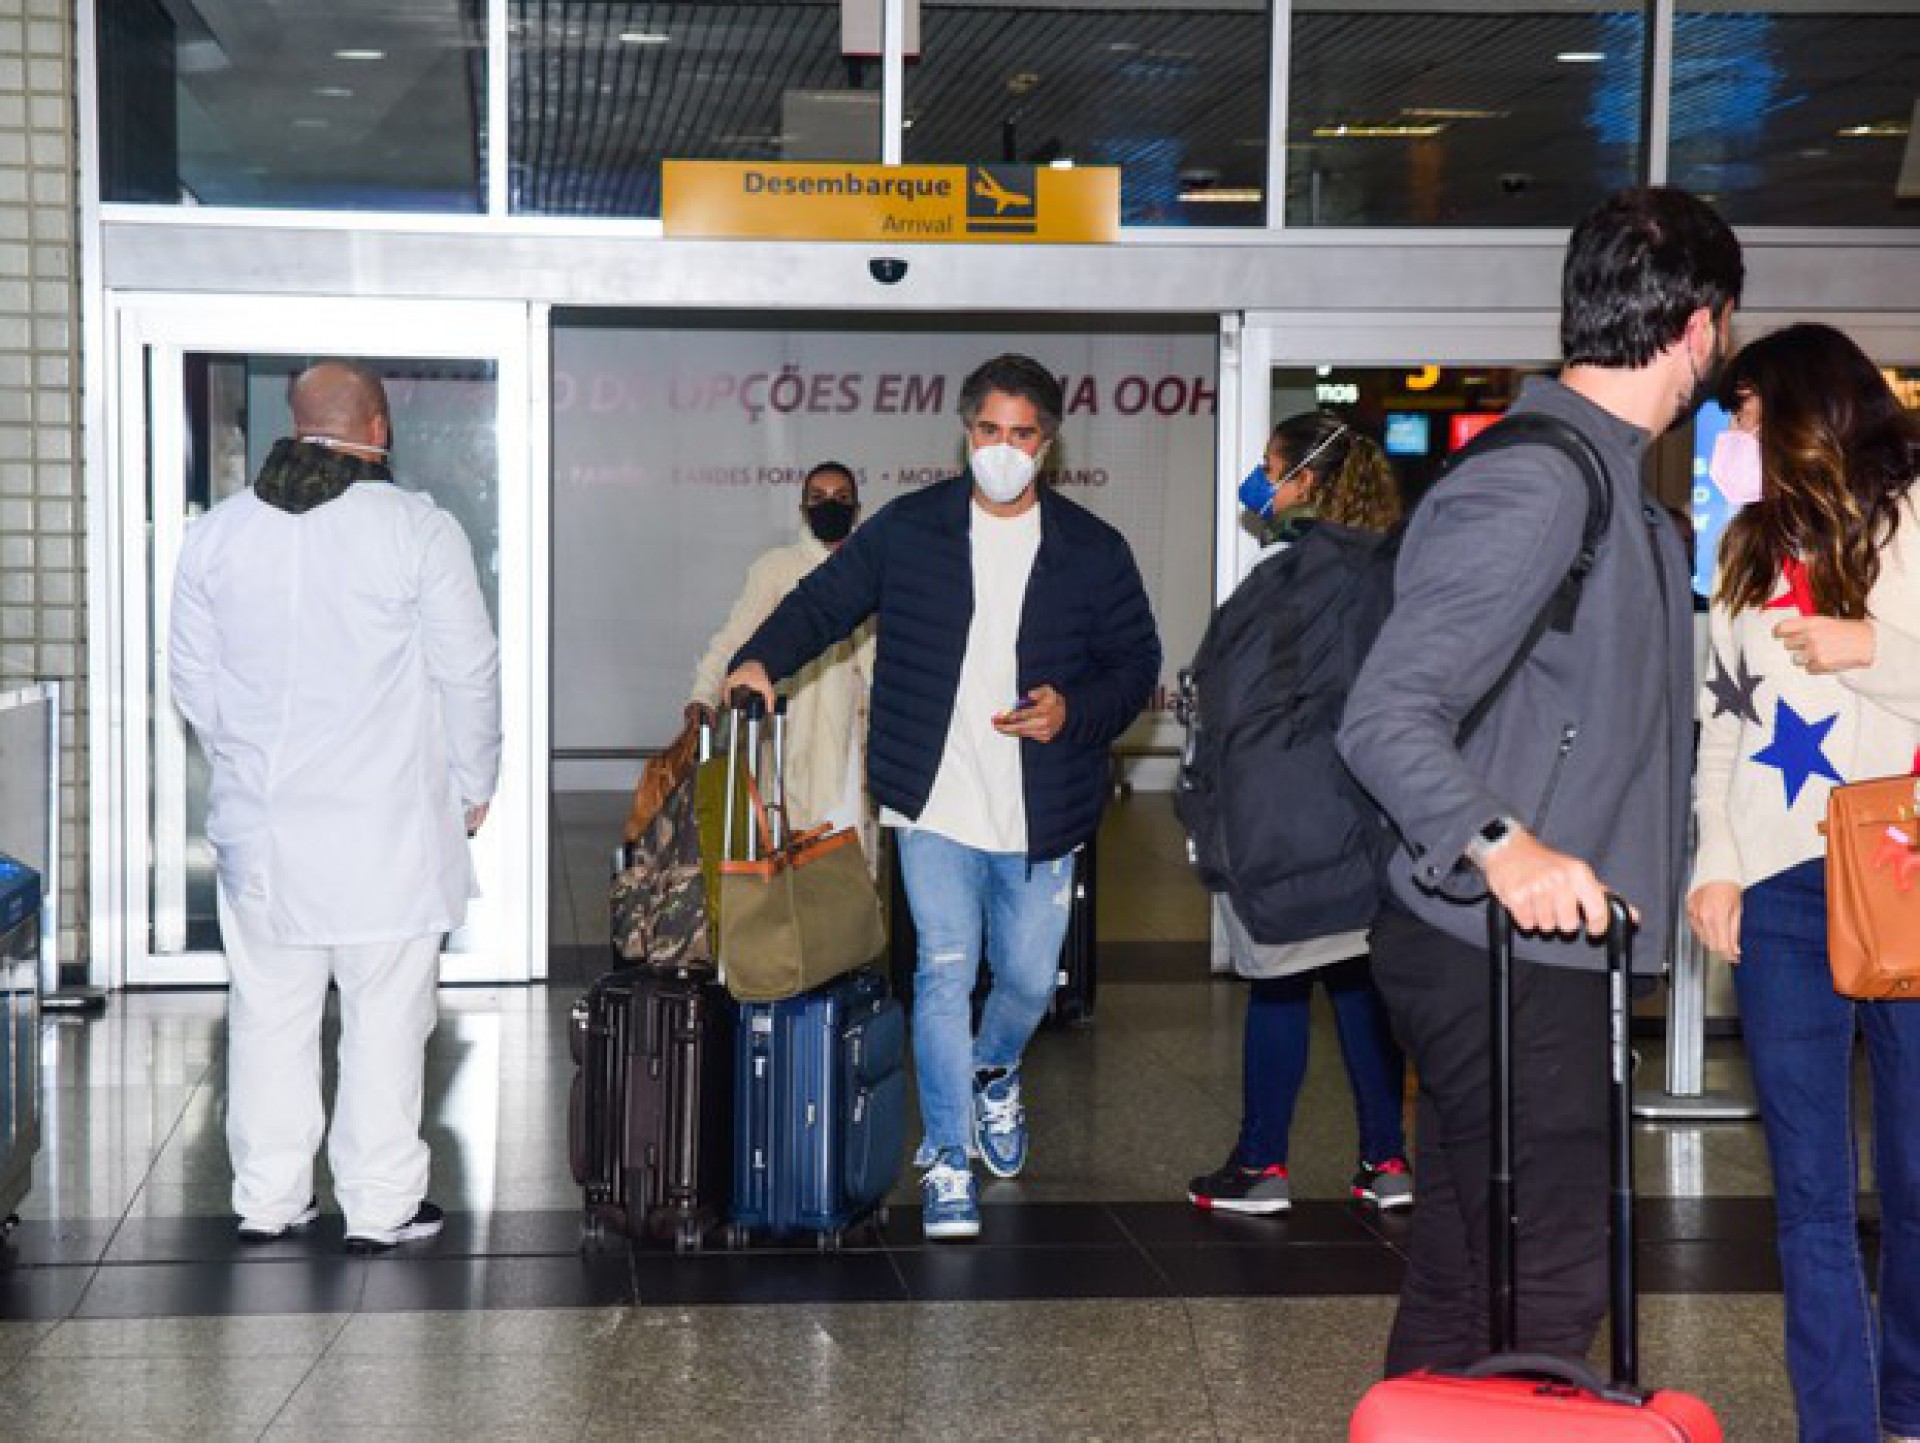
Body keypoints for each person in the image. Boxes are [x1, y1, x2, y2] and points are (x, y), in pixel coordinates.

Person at [1336, 187, 1744, 1373]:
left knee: (1481, 1275)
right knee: (1559, 1279)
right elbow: (1387, 713)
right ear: (1701, 327)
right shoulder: (1543, 482)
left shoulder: (1619, 490)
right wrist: (1506, 844)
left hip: (1531, 953)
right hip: (1501, 948)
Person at [724, 354, 1160, 1242]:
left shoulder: (1092, 550)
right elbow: (824, 603)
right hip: (932, 798)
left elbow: (1136, 665)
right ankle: (949, 1157)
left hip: (1044, 804)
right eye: (990, 430)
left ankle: (996, 1069)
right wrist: (761, 657)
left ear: (1049, 443)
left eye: (1023, 433)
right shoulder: (912, 530)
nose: (1005, 448)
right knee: (943, 971)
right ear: (968, 435)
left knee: (1032, 977)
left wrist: (1075, 709)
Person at [168, 361, 501, 1255]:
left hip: (263, 839)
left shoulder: (219, 536)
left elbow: (192, 685)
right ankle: (380, 1203)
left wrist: (245, 769)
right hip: (383, 831)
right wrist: (475, 783)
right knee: (386, 1020)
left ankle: (270, 1198)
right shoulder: (417, 531)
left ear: (295, 424)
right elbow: (468, 670)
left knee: (269, 1014)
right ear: (379, 426)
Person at [1685, 323, 1920, 1443]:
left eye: (1745, 413)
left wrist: (1866, 645)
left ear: (1803, 412)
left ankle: (1910, 1401)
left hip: (1901, 871)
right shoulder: (1740, 547)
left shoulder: (1911, 518)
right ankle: (1840, 1427)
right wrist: (1715, 866)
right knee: (1811, 1193)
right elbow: (1721, 728)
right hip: (1779, 893)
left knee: (1918, 1182)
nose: (1734, 435)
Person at [1188, 413, 1413, 1216]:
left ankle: (1262, 1167)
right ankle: (1387, 1161)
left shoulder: (1287, 581)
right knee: (1360, 985)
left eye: (1268, 467)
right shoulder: (1393, 567)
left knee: (1279, 982)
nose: (1261, 481)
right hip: (1374, 812)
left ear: (1304, 482)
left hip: (1288, 811)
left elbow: (1222, 700)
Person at [687, 462, 875, 847]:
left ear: (857, 509)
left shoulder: (876, 568)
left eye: (841, 499)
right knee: (805, 854)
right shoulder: (777, 568)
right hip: (802, 735)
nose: (829, 507)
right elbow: (734, 640)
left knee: (862, 863)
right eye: (818, 499)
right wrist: (703, 694)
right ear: (803, 510)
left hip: (867, 738)